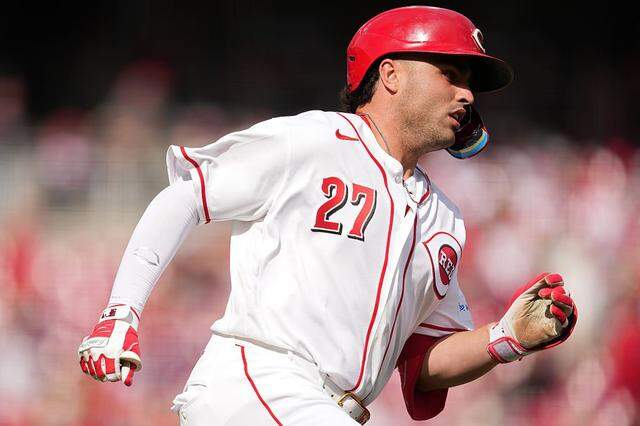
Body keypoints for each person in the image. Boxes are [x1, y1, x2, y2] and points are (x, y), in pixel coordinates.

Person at [78, 6, 577, 425]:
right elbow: (186, 196)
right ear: (390, 74)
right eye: (450, 73)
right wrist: (121, 311)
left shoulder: (444, 221)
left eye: (469, 81)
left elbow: (422, 365)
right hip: (260, 384)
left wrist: (504, 338)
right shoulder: (312, 141)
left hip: (332, 409)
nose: (467, 94)